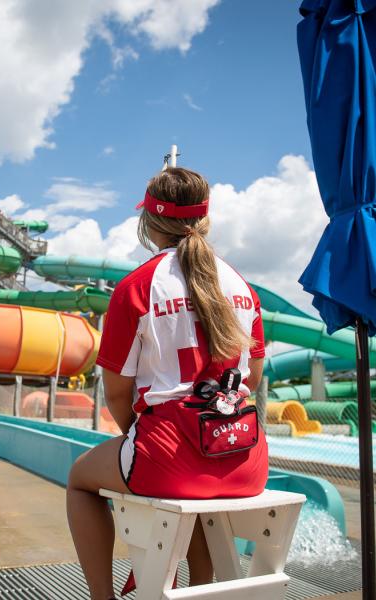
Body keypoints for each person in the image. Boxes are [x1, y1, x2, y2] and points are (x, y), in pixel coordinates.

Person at [66, 166, 268, 600]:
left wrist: (141, 438)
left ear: (150, 222)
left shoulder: (136, 288)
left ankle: (100, 597)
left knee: (80, 478)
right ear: (205, 220)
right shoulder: (243, 287)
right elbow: (252, 376)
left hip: (170, 456)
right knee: (194, 496)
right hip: (244, 460)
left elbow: (118, 393)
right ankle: (200, 590)